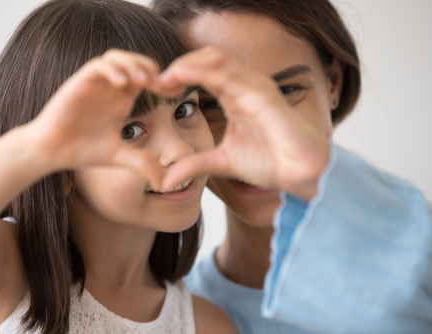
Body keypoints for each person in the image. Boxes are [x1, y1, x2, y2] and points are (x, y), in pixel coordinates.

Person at [0, 1, 239, 333]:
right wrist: (36, 148)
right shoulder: (6, 271)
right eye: (130, 130)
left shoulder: (207, 324)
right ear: (60, 163)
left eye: (183, 110)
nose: (180, 150)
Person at [151, 0, 432, 333]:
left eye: (286, 91)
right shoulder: (175, 321)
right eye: (210, 104)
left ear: (333, 82)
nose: (256, 140)